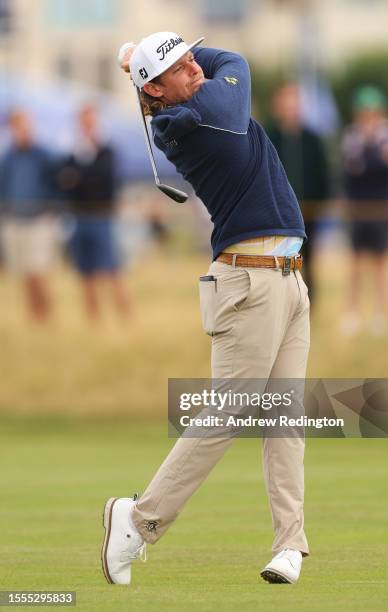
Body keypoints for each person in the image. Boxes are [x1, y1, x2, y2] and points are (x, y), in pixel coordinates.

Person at [102, 32, 310, 586]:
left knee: (285, 419)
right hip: (248, 282)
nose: (194, 65)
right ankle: (138, 519)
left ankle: (290, 543)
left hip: (286, 280)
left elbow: (204, 64)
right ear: (158, 89)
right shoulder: (210, 110)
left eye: (190, 55)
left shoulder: (184, 108)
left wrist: (140, 59)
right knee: (227, 413)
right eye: (177, 65)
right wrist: (138, 59)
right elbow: (234, 59)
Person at [59, 105, 131, 320]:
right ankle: (94, 318)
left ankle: (125, 315)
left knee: (112, 268)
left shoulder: (106, 151)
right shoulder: (75, 152)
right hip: (80, 216)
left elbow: (104, 180)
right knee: (86, 271)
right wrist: (81, 178)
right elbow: (65, 182)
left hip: (102, 216)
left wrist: (78, 177)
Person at [340, 86, 388, 336]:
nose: (369, 116)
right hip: (358, 207)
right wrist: (373, 157)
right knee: (355, 263)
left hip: (382, 206)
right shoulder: (352, 136)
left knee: (380, 263)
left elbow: (384, 168)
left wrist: (370, 158)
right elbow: (352, 171)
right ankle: (353, 312)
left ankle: (380, 313)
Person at [266, 83, 330, 306]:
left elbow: (323, 174)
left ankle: (308, 302)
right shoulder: (268, 137)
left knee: (308, 258)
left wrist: (321, 203)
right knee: (281, 261)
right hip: (278, 213)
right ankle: (283, 303)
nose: (289, 109)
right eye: (285, 104)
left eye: (294, 104)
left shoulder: (312, 139)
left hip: (309, 212)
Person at [0, 109, 60, 322]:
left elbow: (59, 182)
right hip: (14, 222)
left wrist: (53, 210)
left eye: (23, 125)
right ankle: (34, 320)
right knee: (25, 274)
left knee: (38, 273)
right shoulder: (8, 157)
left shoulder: (44, 154)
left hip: (39, 221)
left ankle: (47, 318)